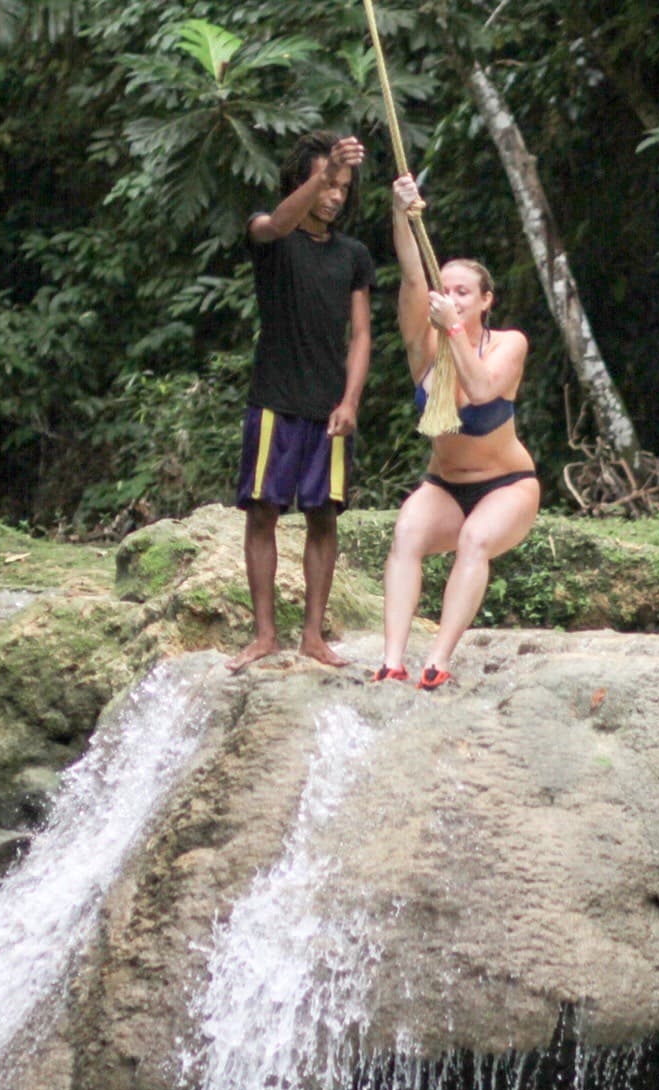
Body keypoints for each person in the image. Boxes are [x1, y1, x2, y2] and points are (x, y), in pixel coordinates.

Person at [369, 175, 538, 691]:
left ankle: (438, 658)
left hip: (507, 484)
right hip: (445, 483)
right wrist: (401, 215)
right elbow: (413, 279)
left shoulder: (508, 344)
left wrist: (457, 331)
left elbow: (483, 389)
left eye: (463, 292)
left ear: (486, 301)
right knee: (406, 536)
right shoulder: (424, 346)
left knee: (474, 540)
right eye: (448, 291)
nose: (452, 298)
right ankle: (393, 658)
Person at [231, 129, 375, 672]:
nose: (335, 195)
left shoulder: (353, 256)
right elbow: (274, 223)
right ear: (303, 181)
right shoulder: (269, 236)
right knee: (262, 512)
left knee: (323, 516)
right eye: (326, 183)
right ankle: (264, 634)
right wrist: (320, 172)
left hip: (328, 405)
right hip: (273, 397)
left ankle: (313, 636)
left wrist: (351, 400)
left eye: (343, 185)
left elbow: (360, 335)